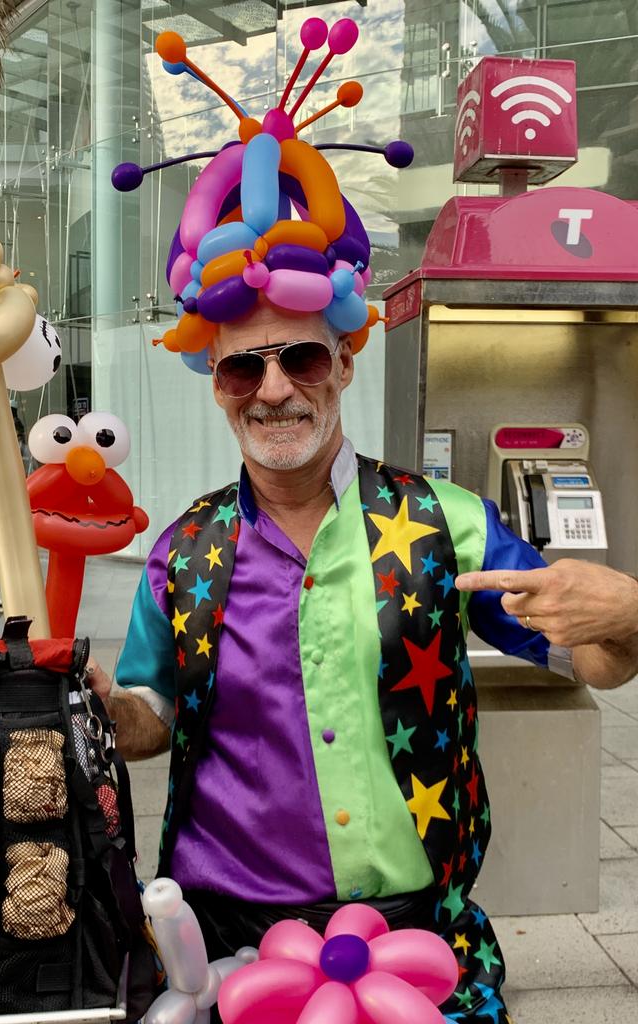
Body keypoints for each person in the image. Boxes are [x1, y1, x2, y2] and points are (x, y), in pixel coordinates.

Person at [88, 24, 638, 1022]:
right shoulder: (184, 554)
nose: (273, 390)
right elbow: (150, 717)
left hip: (416, 930)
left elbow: (589, 658)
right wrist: (104, 709)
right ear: (215, 387)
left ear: (343, 362)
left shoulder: (442, 521)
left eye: (300, 358)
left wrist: (625, 621)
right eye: (241, 367)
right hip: (229, 935)